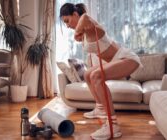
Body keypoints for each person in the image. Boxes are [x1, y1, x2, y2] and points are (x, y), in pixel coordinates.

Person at [60, 3, 143, 140]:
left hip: (127, 58)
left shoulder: (88, 23)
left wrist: (77, 32)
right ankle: (100, 108)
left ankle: (113, 125)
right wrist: (80, 33)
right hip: (116, 61)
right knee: (87, 74)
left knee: (96, 75)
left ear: (75, 14)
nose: (67, 25)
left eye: (67, 21)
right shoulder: (86, 31)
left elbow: (85, 16)